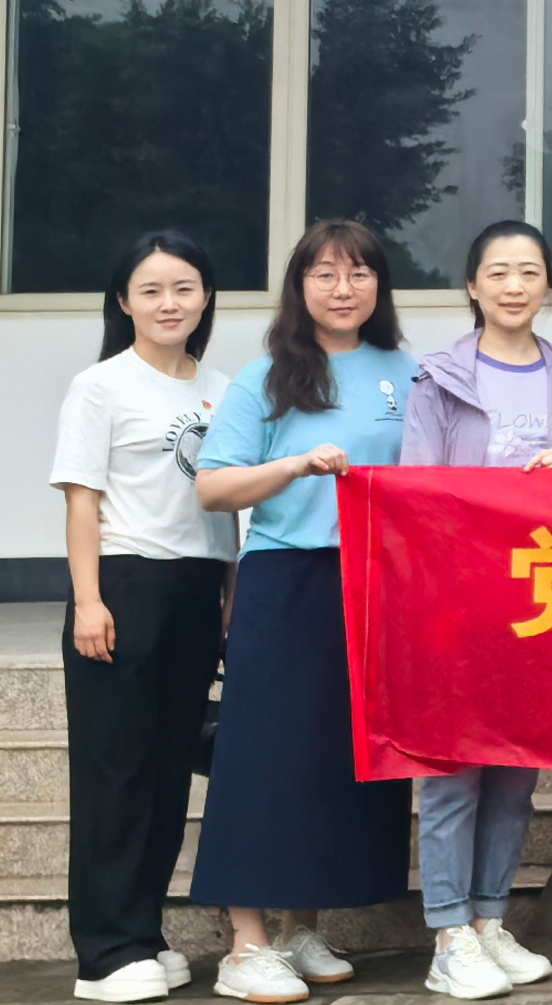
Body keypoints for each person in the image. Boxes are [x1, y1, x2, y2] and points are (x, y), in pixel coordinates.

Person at [190, 220, 418, 1005]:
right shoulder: (266, 376)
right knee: (263, 756)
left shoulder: (407, 371)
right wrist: (292, 465)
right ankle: (245, 942)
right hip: (288, 580)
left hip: (376, 582)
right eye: (324, 273)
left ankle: (299, 928)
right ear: (300, 286)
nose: (343, 288)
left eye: (359, 273)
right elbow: (213, 486)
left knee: (335, 755)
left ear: (380, 284)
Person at [398, 221, 552, 999]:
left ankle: (488, 920)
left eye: (529, 271)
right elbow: (417, 487)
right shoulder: (438, 378)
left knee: (514, 768)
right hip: (459, 597)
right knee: (452, 770)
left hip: (542, 597)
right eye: (498, 272)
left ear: (548, 285)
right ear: (473, 285)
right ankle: (447, 934)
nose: (514, 285)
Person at [52, 233, 236, 1004]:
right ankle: (104, 951)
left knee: (166, 771)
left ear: (205, 297)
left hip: (198, 587)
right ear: (124, 300)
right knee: (115, 770)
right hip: (124, 583)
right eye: (152, 289)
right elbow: (81, 499)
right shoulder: (100, 384)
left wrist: (228, 598)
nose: (170, 303)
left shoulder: (222, 387)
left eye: (184, 287)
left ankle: (144, 934)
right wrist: (89, 599)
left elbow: (228, 507)